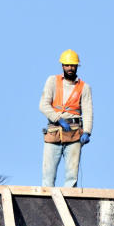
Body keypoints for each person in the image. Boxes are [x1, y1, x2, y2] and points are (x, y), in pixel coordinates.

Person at [39, 49, 93, 187]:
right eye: (67, 65)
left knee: (71, 176)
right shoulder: (53, 81)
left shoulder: (84, 87)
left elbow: (87, 111)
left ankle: (69, 204)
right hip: (54, 131)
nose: (70, 68)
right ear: (62, 66)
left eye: (73, 65)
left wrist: (87, 131)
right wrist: (58, 119)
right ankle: (47, 203)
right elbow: (43, 105)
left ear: (77, 67)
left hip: (74, 132)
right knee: (48, 175)